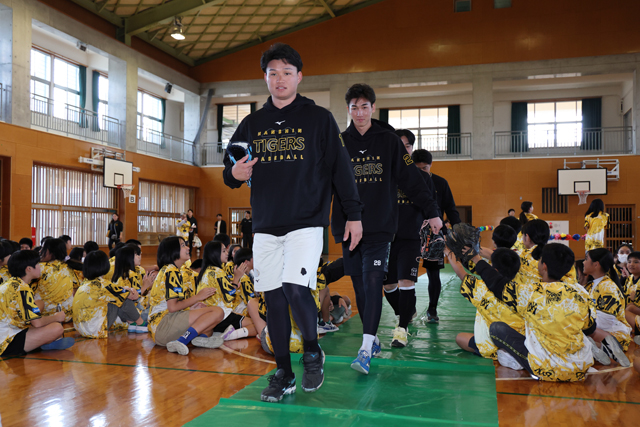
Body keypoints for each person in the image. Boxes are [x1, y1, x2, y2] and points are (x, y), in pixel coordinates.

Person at [223, 43, 362, 402]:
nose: (279, 79)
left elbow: (341, 170)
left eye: (287, 72)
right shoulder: (252, 124)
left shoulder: (319, 119)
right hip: (266, 225)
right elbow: (230, 168)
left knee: (295, 288)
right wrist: (234, 173)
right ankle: (283, 371)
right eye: (273, 73)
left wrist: (354, 214)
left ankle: (312, 350)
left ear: (299, 77)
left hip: (306, 222)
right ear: (265, 78)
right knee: (273, 298)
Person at [333, 83, 441, 375]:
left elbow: (411, 180)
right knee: (360, 288)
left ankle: (365, 348)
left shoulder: (389, 141)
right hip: (348, 228)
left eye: (364, 107)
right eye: (354, 107)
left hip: (379, 227)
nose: (359, 113)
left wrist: (432, 211)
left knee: (372, 283)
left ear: (373, 108)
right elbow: (323, 182)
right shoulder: (339, 142)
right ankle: (373, 339)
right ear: (348, 110)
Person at [481, 243, 596, 381]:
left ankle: (522, 362)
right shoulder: (579, 294)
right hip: (578, 368)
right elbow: (590, 328)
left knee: (496, 329)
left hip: (546, 368)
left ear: (544, 266)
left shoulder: (531, 292)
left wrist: (476, 259)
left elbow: (499, 285)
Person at [147, 236, 225, 355]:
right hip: (163, 325)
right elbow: (173, 307)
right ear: (173, 250)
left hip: (161, 328)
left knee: (208, 325)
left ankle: (200, 339)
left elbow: (172, 306)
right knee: (217, 312)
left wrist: (191, 308)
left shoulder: (171, 270)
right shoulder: (171, 271)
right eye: (183, 245)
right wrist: (197, 297)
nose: (188, 248)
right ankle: (181, 341)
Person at [412, 148, 461, 323]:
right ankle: (409, 306)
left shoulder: (440, 183)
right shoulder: (405, 182)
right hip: (411, 233)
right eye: (417, 169)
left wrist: (457, 230)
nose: (421, 172)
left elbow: (451, 209)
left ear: (431, 165)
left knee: (433, 274)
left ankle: (432, 309)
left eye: (424, 168)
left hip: (434, 234)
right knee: (407, 273)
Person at [449, 247, 524, 361]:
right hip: (520, 343)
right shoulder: (523, 288)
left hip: (492, 346)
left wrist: (447, 251)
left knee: (460, 338)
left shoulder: (483, 290)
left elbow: (461, 273)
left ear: (495, 270)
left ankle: (498, 352)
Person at [0, 250, 75, 357]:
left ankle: (42, 343)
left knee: (39, 304)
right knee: (57, 328)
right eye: (37, 264)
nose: (40, 267)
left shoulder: (9, 283)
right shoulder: (23, 289)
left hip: (6, 332)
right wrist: (56, 317)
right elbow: (37, 323)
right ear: (29, 269)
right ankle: (41, 345)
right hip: (6, 343)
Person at [72, 250, 146, 338]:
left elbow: (116, 290)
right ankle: (140, 323)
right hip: (95, 330)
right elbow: (129, 295)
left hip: (80, 328)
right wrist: (132, 290)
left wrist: (125, 289)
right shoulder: (103, 284)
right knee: (123, 298)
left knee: (118, 295)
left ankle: (131, 323)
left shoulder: (85, 282)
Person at [196, 241, 255, 341]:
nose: (227, 253)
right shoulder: (218, 272)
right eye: (224, 251)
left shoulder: (206, 271)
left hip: (208, 315)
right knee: (256, 325)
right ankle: (230, 335)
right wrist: (236, 278)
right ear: (215, 254)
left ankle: (222, 332)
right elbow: (229, 297)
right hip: (221, 315)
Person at [583, 248, 631, 352]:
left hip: (614, 334)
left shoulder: (608, 287)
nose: (584, 262)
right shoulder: (591, 285)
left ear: (596, 264)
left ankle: (606, 348)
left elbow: (606, 322)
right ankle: (599, 347)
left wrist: (580, 321)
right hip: (601, 330)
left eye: (586, 259)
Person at [34, 238, 78, 321]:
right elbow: (75, 289)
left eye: (43, 249)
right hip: (66, 315)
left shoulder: (39, 268)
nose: (40, 251)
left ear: (51, 252)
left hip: (45, 316)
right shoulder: (69, 266)